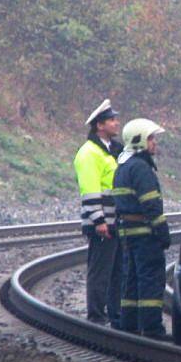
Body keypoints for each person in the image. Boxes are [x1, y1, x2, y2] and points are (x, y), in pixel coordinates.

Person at [112, 118, 171, 338]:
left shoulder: (123, 167)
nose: (154, 143)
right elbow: (151, 205)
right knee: (150, 280)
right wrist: (162, 233)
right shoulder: (141, 169)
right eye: (151, 138)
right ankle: (152, 328)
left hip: (127, 234)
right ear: (139, 141)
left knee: (131, 280)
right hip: (145, 235)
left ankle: (130, 325)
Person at [73, 99, 123, 327]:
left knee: (115, 271)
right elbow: (90, 189)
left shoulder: (109, 151)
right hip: (103, 223)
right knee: (100, 271)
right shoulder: (89, 153)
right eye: (112, 120)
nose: (116, 123)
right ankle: (95, 314)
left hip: (115, 221)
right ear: (99, 125)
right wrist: (99, 220)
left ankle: (114, 313)